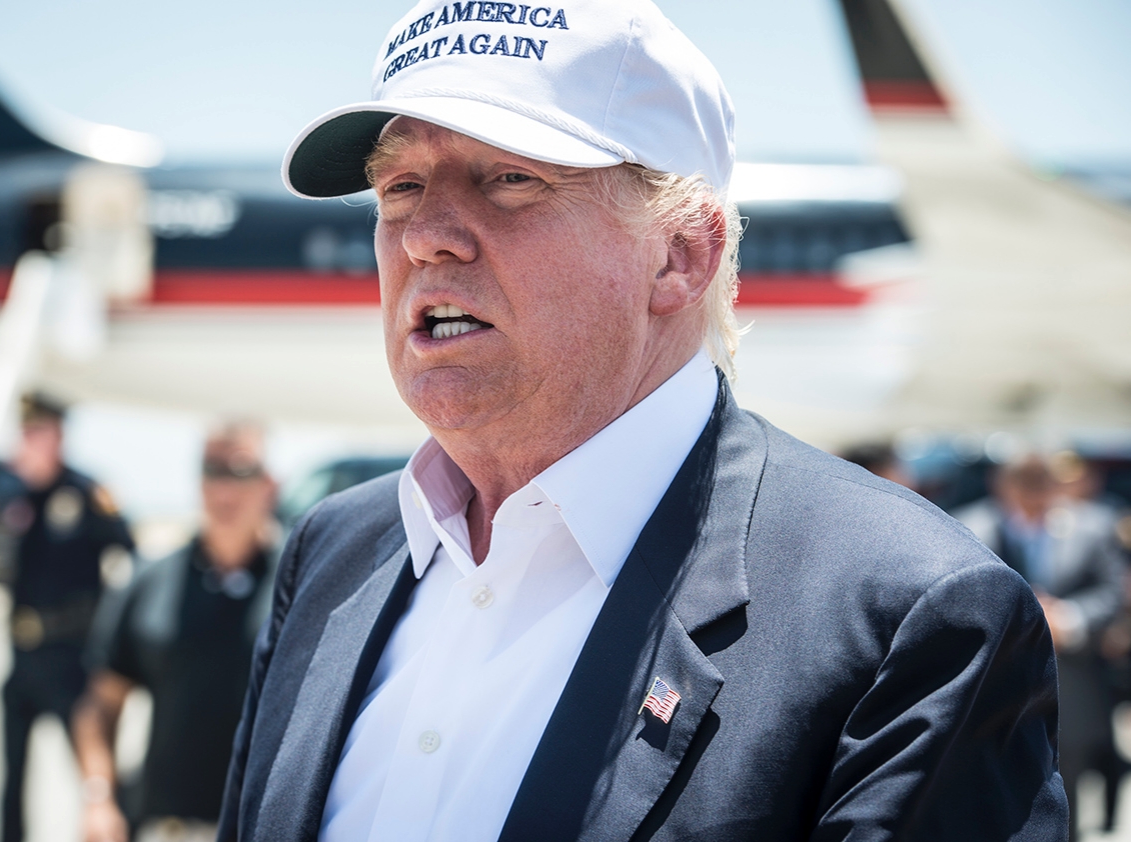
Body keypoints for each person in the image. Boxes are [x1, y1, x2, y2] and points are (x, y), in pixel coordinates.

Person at [219, 2, 1067, 839]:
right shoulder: (332, 556)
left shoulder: (911, 617)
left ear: (680, 255)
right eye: (400, 186)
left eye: (512, 178)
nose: (425, 238)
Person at [74, 422, 278, 842]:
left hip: (267, 827)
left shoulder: (302, 581)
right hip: (169, 827)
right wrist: (98, 799)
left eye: (240, 471)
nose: (224, 490)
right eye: (211, 471)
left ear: (269, 484)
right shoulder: (149, 579)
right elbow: (101, 704)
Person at [955, 454, 1125, 840]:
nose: (1035, 492)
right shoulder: (968, 526)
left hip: (1071, 682)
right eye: (1025, 482)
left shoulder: (1092, 527)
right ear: (1002, 484)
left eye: (1042, 482)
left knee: (1067, 778)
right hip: (994, 683)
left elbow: (1111, 591)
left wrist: (1069, 618)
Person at [0, 392, 135, 842]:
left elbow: (128, 558)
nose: (30, 441)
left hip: (70, 657)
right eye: (26, 433)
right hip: (22, 657)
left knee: (92, 773)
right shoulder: (18, 495)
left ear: (57, 436)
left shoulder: (85, 493)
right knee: (11, 779)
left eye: (38, 432)